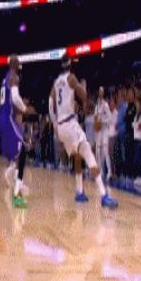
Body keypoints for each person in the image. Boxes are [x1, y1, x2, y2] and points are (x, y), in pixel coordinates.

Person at [49, 55, 118, 208]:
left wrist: (54, 124)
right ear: (71, 65)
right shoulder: (71, 78)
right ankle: (104, 195)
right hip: (70, 123)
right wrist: (82, 86)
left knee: (77, 157)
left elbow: (50, 102)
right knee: (89, 154)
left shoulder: (56, 82)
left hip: (61, 126)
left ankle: (79, 191)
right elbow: (84, 95)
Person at [0, 55, 35, 208]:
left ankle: (14, 181)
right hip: (9, 119)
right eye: (18, 64)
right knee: (23, 150)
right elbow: (15, 98)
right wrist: (25, 109)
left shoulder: (5, 78)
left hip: (3, 119)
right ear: (15, 64)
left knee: (19, 153)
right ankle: (17, 194)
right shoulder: (14, 77)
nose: (20, 66)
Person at [94, 87, 112, 180]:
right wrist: (96, 123)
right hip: (99, 131)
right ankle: (100, 170)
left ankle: (109, 171)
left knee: (105, 151)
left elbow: (110, 118)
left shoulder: (106, 105)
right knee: (98, 151)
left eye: (102, 92)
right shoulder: (97, 106)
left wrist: (102, 121)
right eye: (99, 92)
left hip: (105, 130)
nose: (100, 93)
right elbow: (95, 118)